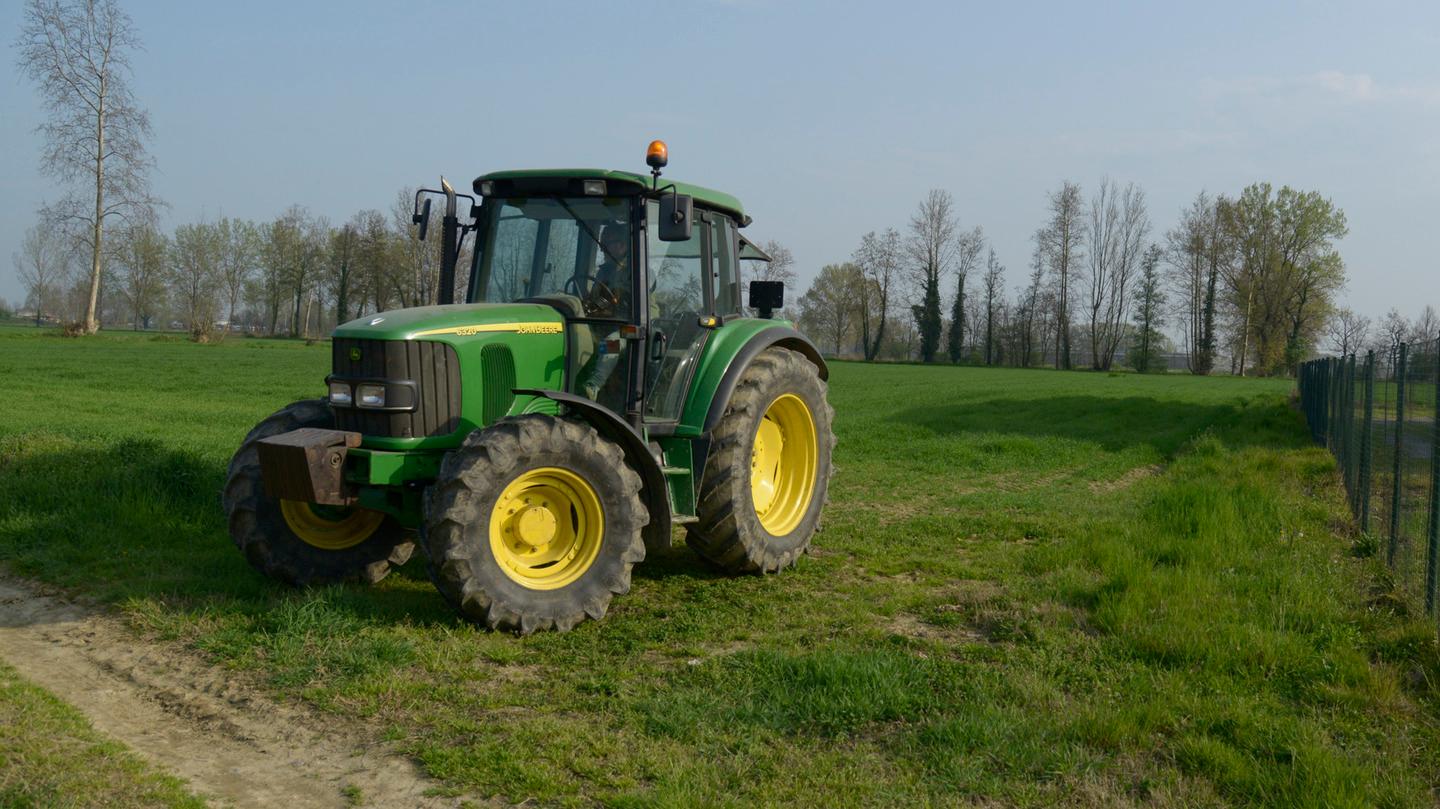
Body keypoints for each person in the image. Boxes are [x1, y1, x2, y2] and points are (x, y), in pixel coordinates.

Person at [580, 225, 632, 402]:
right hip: (606, 322)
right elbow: (597, 297)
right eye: (604, 244)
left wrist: (615, 294)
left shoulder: (639, 270)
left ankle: (593, 386)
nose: (605, 248)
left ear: (623, 245)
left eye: (610, 243)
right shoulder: (604, 271)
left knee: (609, 344)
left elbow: (628, 294)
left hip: (632, 326)